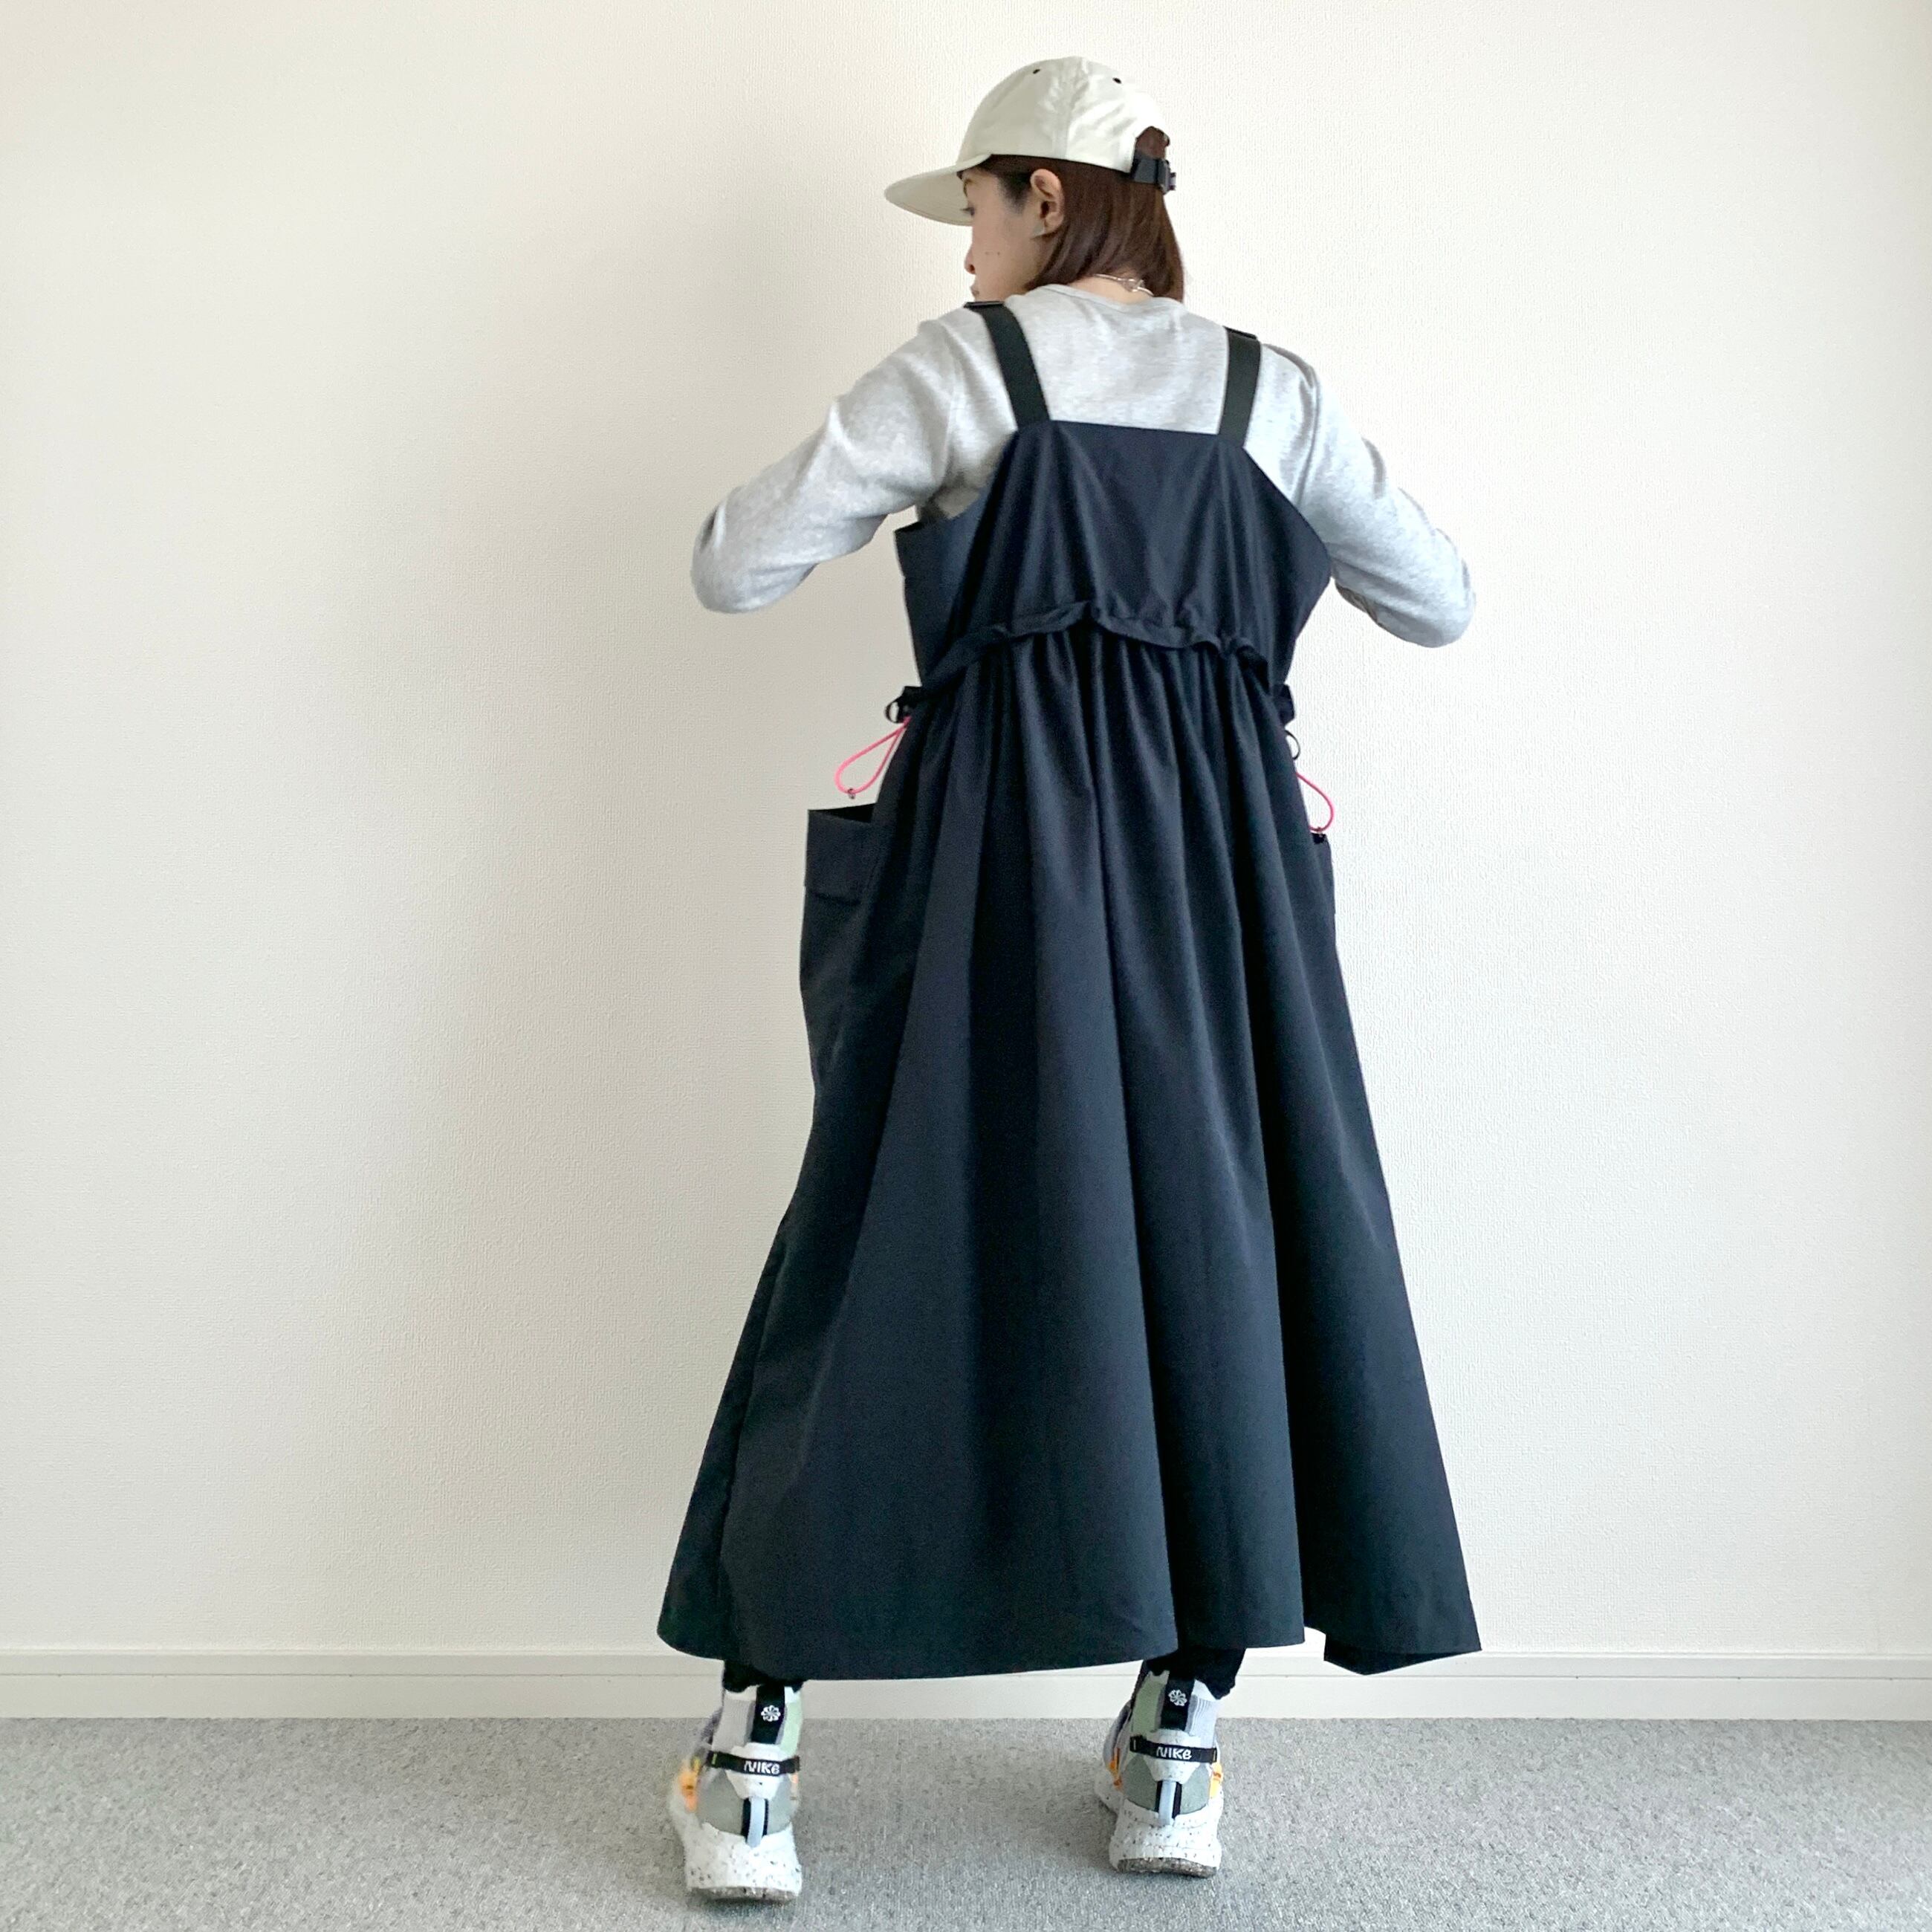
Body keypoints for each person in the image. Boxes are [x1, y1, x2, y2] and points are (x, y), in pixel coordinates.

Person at [661, 55, 1482, 1901]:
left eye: (970, 206)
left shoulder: (967, 373)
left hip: (993, 875)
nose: (962, 249)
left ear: (1044, 194)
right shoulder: (1270, 394)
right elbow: (1435, 597)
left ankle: (755, 1760)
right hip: (1220, 895)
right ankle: (1176, 1742)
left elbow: (730, 564)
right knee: (1221, 1253)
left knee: (892, 1239)